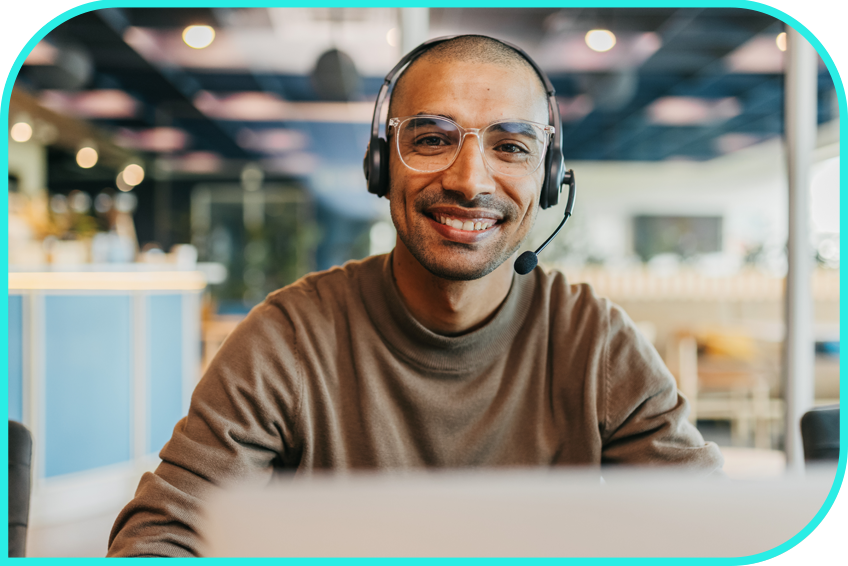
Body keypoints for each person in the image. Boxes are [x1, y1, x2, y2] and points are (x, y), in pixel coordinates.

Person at [107, 35, 723, 557]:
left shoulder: (593, 339)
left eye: (510, 147)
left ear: (549, 178)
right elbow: (163, 532)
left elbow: (716, 529)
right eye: (432, 139)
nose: (468, 180)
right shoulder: (291, 336)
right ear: (382, 165)